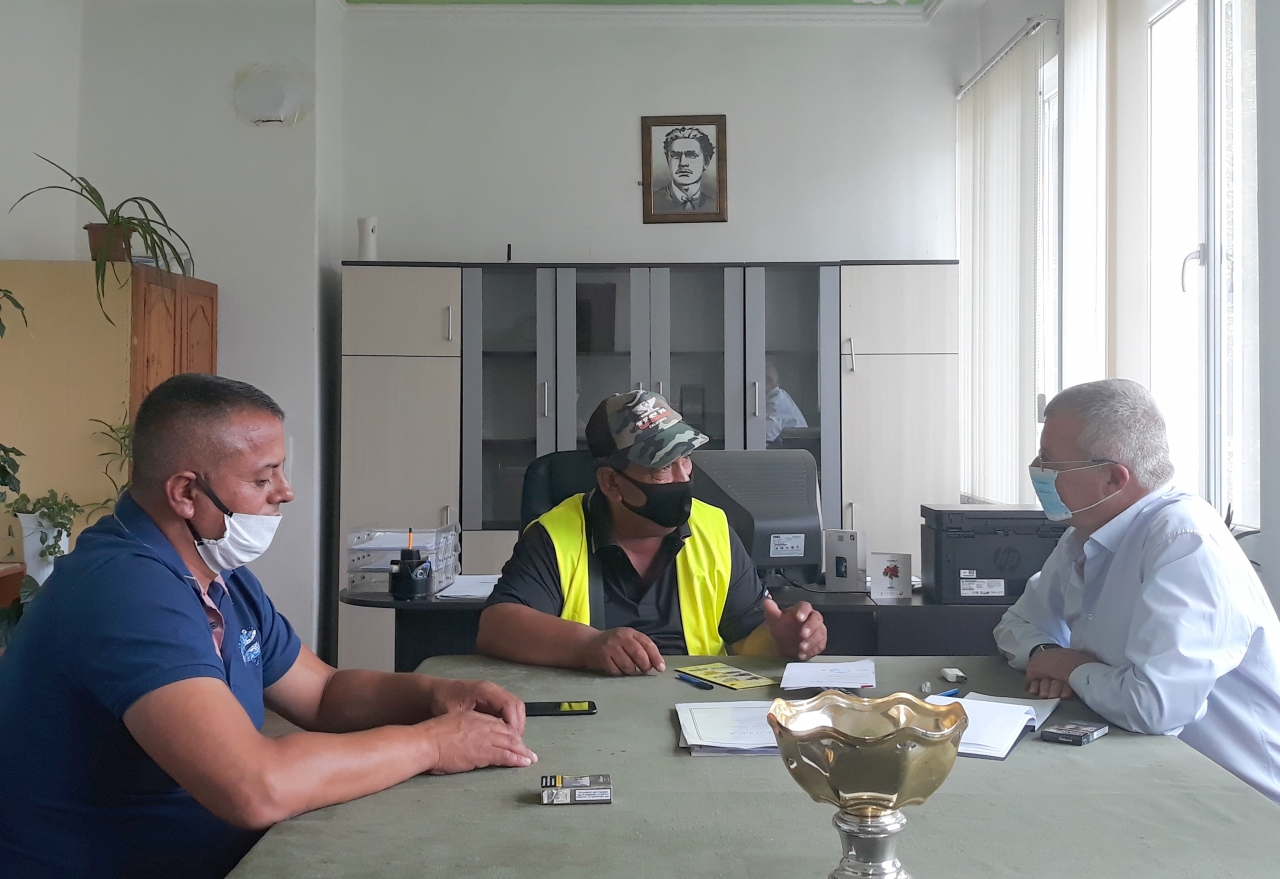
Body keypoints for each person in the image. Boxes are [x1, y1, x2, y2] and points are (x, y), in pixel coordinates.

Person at [0, 374, 535, 879]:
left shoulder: (218, 575)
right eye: (263, 478)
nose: (285, 491)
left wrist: (435, 695)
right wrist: (432, 745)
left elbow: (322, 693)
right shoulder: (125, 589)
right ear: (185, 493)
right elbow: (255, 787)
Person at [994, 379, 1280, 802]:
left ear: (1112, 478)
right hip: (1153, 774)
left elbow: (1155, 707)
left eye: (1049, 461)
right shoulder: (1085, 533)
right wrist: (1045, 654)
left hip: (1240, 797)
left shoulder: (1184, 540)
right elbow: (1016, 625)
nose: (1036, 468)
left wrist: (1071, 668)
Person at [476, 390, 826, 675]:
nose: (682, 477)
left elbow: (747, 637)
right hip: (591, 715)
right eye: (662, 466)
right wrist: (587, 645)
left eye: (685, 458)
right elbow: (497, 627)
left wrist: (784, 640)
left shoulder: (714, 528)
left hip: (699, 712)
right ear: (612, 483)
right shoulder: (554, 535)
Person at [651, 126, 718, 214]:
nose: (682, 163)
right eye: (675, 156)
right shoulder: (652, 202)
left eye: (691, 155)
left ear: (706, 163)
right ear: (668, 161)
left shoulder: (715, 205)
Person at [765, 361, 808, 444]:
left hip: (797, 448)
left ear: (767, 381)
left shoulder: (776, 402)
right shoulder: (778, 396)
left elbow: (765, 436)